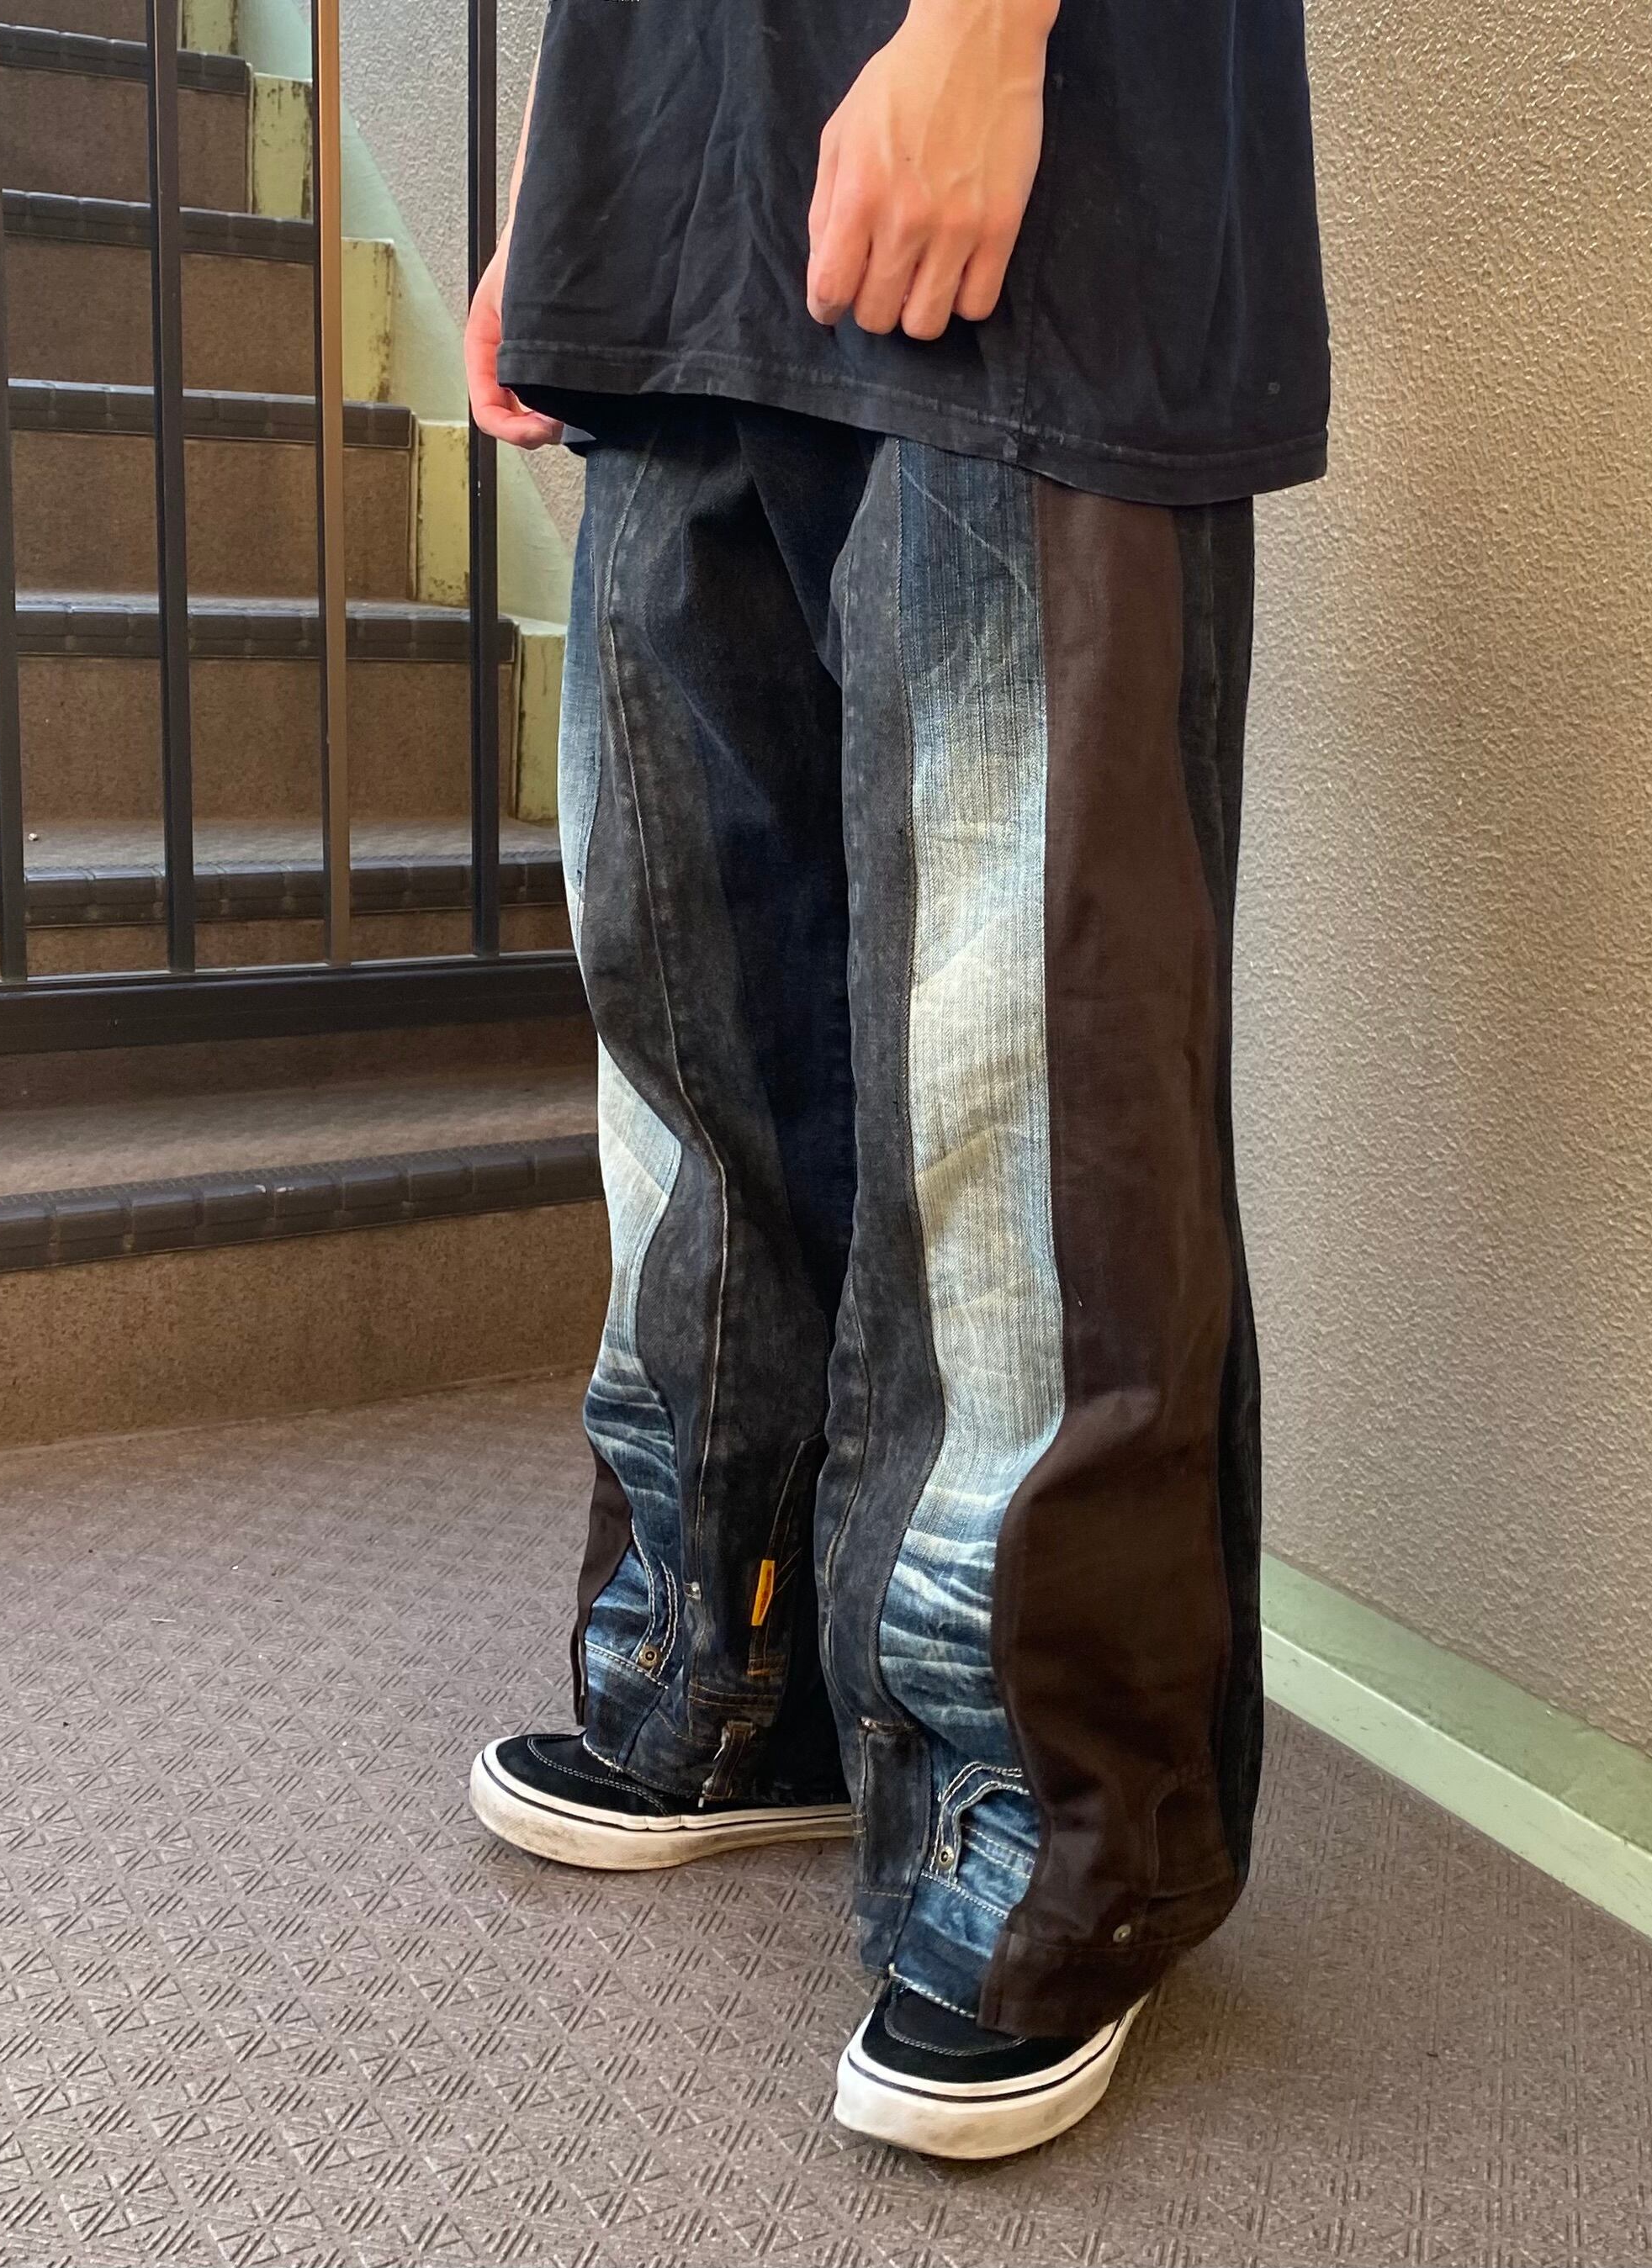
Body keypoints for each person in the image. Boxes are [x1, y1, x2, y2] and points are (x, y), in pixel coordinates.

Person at [461, 0, 1330, 2160]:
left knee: (1013, 1054)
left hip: (1020, 130)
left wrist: (982, 24)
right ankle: (724, 1670)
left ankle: (1051, 1831)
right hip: (672, 171)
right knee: (688, 1009)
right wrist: (554, 176)